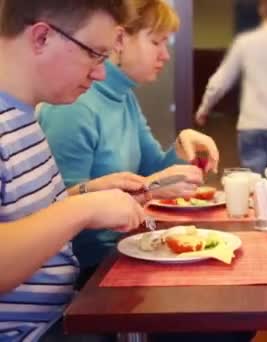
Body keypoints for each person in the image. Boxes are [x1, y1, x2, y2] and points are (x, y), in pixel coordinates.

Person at [39, 0, 220, 285]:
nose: (165, 55)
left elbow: (152, 173)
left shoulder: (124, 98)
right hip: (90, 269)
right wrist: (150, 189)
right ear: (120, 40)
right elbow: (59, 212)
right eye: (156, 42)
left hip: (125, 246)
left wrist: (181, 148)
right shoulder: (74, 104)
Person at [0, 0, 146, 340]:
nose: (100, 73)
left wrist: (86, 192)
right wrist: (82, 209)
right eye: (94, 53)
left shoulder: (23, 115)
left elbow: (20, 217)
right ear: (41, 38)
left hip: (65, 313)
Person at [195, 0, 267, 175]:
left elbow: (220, 81)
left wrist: (204, 108)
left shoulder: (245, 42)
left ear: (262, 11)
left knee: (256, 188)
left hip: (251, 125)